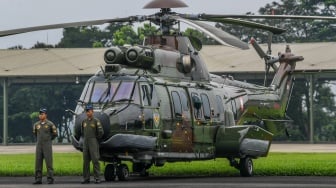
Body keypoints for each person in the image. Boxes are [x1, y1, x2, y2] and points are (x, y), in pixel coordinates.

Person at [32, 107, 58, 184]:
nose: (40, 115)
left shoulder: (50, 124)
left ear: (46, 115)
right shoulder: (36, 124)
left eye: (42, 114)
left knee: (49, 162)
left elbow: (55, 134)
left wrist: (49, 139)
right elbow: (35, 134)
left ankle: (50, 179)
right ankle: (38, 179)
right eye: (40, 114)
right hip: (39, 145)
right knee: (38, 162)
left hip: (47, 145)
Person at [81, 104, 104, 184]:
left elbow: (101, 132)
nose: (87, 113)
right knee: (85, 161)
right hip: (86, 142)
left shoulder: (96, 121)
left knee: (95, 160)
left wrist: (95, 139)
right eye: (86, 111)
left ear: (92, 111)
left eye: (89, 111)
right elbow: (82, 132)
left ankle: (97, 178)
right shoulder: (84, 121)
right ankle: (86, 178)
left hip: (93, 141)